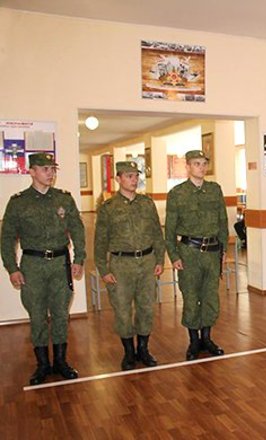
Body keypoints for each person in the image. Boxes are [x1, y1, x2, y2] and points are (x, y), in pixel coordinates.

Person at [1, 153, 85, 385]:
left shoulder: (64, 199)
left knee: (60, 314)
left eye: (53, 169)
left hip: (60, 263)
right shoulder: (18, 202)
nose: (51, 173)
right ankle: (42, 365)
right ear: (32, 171)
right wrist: (12, 268)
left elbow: (77, 230)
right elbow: (7, 238)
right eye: (45, 169)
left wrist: (79, 258)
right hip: (33, 265)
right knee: (37, 315)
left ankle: (60, 361)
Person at [94, 161, 165, 371]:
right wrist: (103, 270)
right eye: (129, 176)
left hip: (147, 262)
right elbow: (100, 242)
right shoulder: (108, 208)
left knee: (146, 308)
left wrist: (160, 260)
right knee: (123, 310)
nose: (134, 180)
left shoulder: (147, 203)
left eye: (136, 176)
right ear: (118, 179)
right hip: (120, 264)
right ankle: (128, 352)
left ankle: (143, 349)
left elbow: (157, 234)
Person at [165, 150, 228, 360]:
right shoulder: (177, 193)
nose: (201, 168)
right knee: (191, 297)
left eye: (204, 164)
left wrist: (223, 250)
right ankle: (193, 341)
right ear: (188, 167)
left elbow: (222, 221)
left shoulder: (214, 190)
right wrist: (174, 255)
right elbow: (170, 229)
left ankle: (207, 338)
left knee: (210, 297)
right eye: (196, 164)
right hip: (189, 252)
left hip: (212, 252)